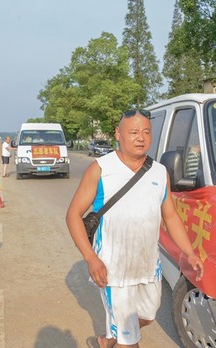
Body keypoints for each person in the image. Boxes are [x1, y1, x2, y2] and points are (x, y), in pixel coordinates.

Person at [66, 110, 204, 348]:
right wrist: (91, 258)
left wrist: (189, 252)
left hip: (148, 266)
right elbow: (73, 215)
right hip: (114, 269)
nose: (141, 137)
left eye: (146, 132)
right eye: (133, 132)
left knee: (148, 317)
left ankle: (108, 339)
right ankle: (120, 337)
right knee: (130, 342)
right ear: (118, 134)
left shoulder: (159, 172)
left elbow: (170, 216)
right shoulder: (100, 169)